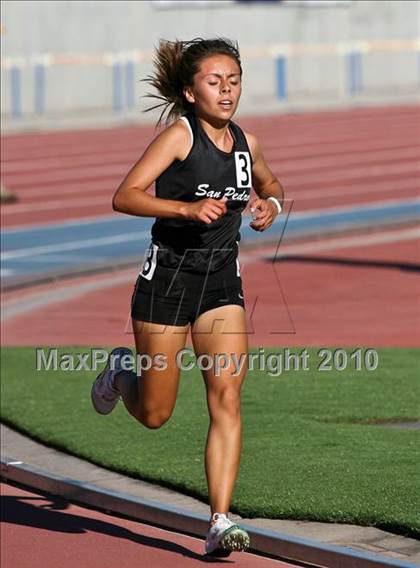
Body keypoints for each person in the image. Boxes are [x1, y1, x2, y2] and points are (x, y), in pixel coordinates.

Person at [91, 37, 285, 557]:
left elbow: (271, 185)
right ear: (190, 91)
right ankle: (118, 374)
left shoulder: (248, 141)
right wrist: (184, 210)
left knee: (226, 396)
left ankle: (220, 520)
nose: (226, 91)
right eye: (214, 82)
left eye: (234, 81)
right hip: (168, 284)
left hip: (222, 286)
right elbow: (125, 195)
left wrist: (269, 204)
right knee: (156, 414)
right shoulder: (179, 137)